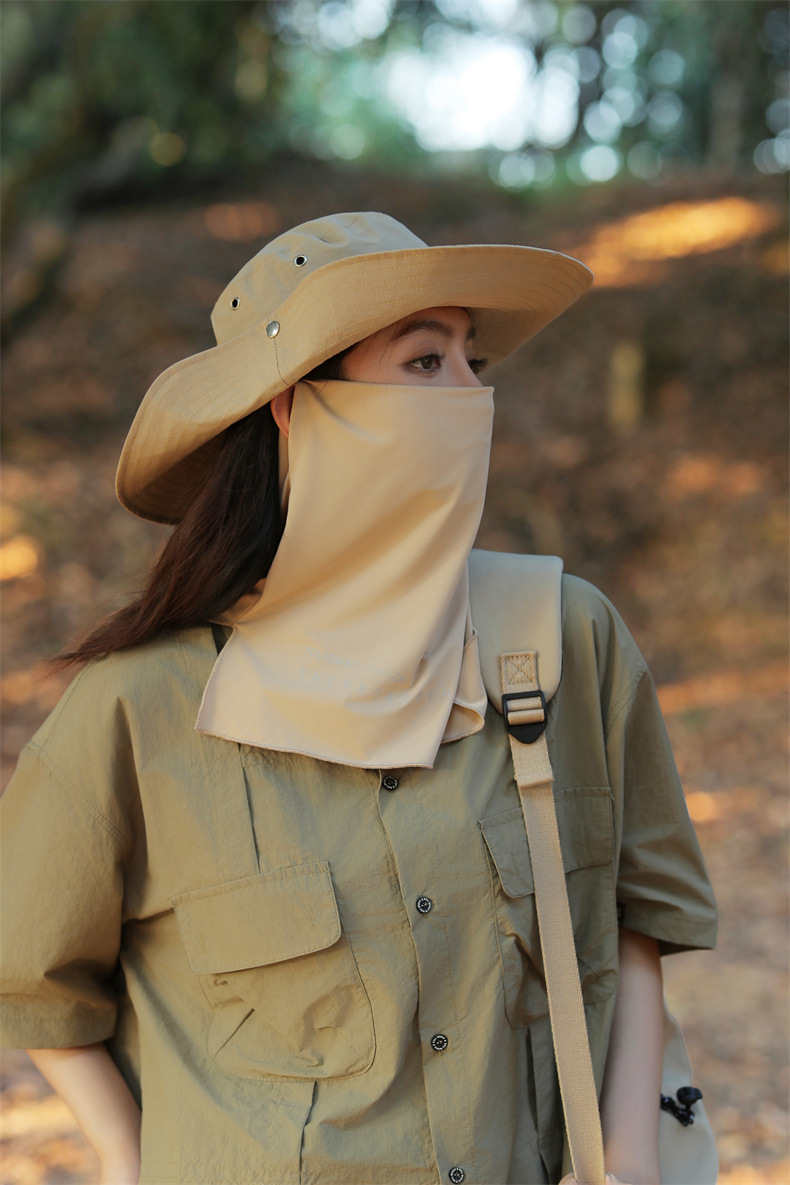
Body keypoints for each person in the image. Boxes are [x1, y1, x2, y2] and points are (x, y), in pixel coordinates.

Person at [0, 212, 717, 1185]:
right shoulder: (140, 707)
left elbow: (640, 910)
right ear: (298, 409)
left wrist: (630, 1154)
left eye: (471, 359)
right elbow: (30, 979)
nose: (473, 394)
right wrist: (134, 1162)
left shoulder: (563, 640)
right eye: (425, 363)